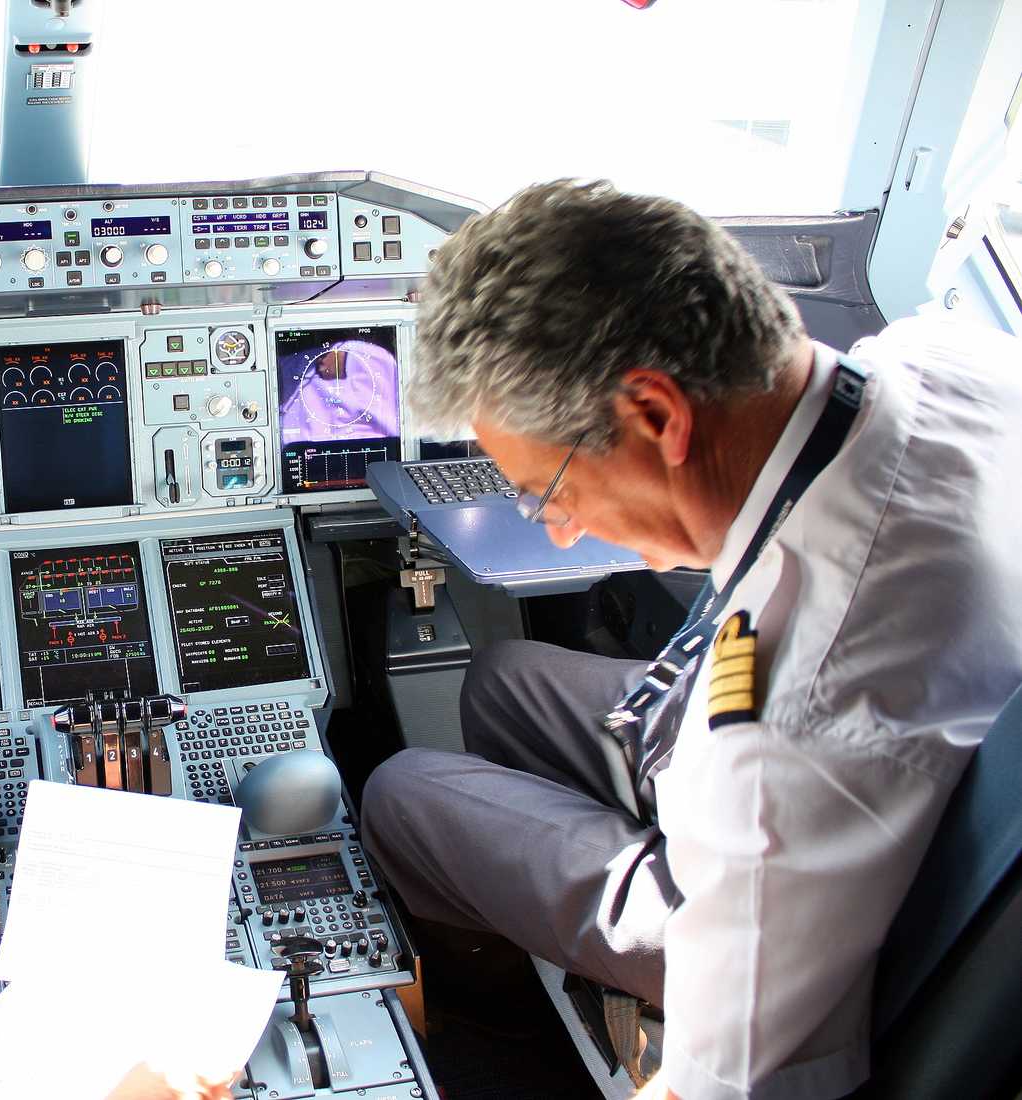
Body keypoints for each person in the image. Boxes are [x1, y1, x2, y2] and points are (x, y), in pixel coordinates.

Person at [359, 179, 1022, 1100]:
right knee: (504, 679)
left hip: (795, 894)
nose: (556, 529)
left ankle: (503, 1027)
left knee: (403, 795)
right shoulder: (938, 360)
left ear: (660, 416)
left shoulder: (789, 727)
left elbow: (733, 1086)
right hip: (869, 763)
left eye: (549, 491)